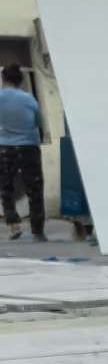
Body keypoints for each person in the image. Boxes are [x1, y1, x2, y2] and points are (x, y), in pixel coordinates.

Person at [0, 65, 45, 242]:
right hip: (29, 147)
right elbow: (38, 122)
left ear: (3, 79)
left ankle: (13, 226)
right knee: (34, 188)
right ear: (21, 80)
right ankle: (37, 232)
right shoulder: (29, 98)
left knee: (6, 187)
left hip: (5, 147)